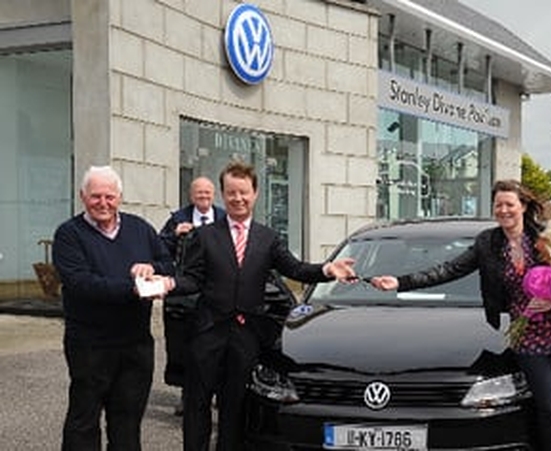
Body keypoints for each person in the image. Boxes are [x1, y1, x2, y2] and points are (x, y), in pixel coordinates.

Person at [371, 179, 551, 451]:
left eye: (509, 204)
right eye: (498, 205)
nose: (503, 210)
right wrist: (400, 282)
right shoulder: (488, 243)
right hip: (529, 338)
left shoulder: (549, 235)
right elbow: (448, 270)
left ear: (523, 206)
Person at [164, 161, 357, 451]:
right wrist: (167, 284)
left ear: (255, 194)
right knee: (197, 403)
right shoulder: (203, 236)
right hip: (207, 333)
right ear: (223, 195)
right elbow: (191, 279)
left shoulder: (268, 238)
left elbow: (295, 268)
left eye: (243, 192)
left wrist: (327, 270)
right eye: (231, 193)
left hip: (246, 335)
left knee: (234, 407)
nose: (237, 198)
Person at [52, 165, 174, 451]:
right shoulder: (69, 234)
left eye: (109, 196)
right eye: (96, 196)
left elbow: (168, 263)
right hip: (90, 346)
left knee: (128, 423)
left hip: (135, 346)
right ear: (83, 196)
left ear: (120, 197)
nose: (103, 203)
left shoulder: (140, 228)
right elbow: (82, 283)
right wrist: (132, 289)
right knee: (84, 423)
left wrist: (153, 268)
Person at [159, 176, 226, 416]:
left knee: (216, 345)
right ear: (191, 196)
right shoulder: (177, 219)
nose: (204, 198)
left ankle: (218, 393)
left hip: (215, 291)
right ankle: (187, 396)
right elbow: (159, 249)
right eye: (199, 194)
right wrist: (175, 234)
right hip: (184, 295)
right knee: (184, 347)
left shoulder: (223, 217)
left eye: (208, 194)